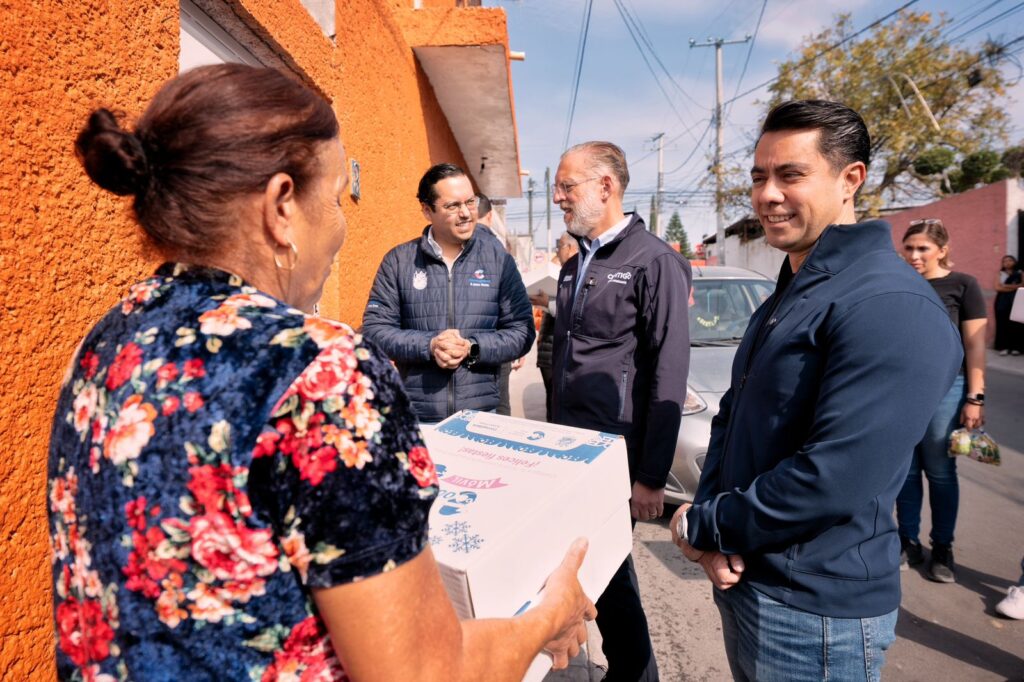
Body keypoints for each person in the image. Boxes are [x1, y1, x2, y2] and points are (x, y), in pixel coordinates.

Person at [49, 64, 594, 682]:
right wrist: (545, 619)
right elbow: (422, 672)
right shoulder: (319, 369)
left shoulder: (105, 341)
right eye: (334, 199)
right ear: (282, 206)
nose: (339, 227)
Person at [672, 100, 963, 681]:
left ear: (850, 178)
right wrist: (709, 520)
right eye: (759, 177)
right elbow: (735, 416)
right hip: (749, 582)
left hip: (814, 618)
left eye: (790, 175)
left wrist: (706, 525)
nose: (768, 194)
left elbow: (836, 474)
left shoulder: (888, 303)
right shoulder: (797, 287)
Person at [551, 141, 692, 681]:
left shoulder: (654, 261)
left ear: (606, 186)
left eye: (569, 186)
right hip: (571, 448)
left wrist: (651, 475)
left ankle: (635, 672)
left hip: (617, 455)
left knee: (609, 570)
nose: (560, 197)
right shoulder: (576, 261)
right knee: (593, 568)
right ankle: (629, 668)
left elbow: (667, 376)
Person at [362, 165, 535, 424]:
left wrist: (473, 347)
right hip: (417, 418)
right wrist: (430, 345)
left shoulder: (498, 261)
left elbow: (522, 331)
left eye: (470, 202)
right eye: (452, 206)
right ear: (426, 210)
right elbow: (374, 331)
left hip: (482, 417)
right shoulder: (398, 261)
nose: (465, 213)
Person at [896, 219, 987, 583]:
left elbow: (975, 345)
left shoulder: (963, 285)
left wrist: (975, 397)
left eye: (923, 249)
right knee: (904, 471)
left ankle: (943, 547)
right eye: (909, 248)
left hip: (948, 390)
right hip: (902, 390)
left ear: (942, 250)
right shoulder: (899, 283)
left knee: (941, 472)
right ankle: (908, 541)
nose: (915, 256)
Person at [473, 192, 515, 416]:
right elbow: (511, 306)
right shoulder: (499, 251)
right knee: (499, 406)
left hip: (461, 347)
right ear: (489, 216)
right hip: (497, 345)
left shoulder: (450, 245)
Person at [530, 232, 578, 422]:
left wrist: (548, 303)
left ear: (571, 247)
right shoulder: (565, 270)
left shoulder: (578, 272)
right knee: (552, 400)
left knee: (556, 401)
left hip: (558, 350)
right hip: (549, 347)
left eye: (560, 247)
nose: (558, 252)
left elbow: (572, 310)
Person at [994, 254, 1023, 356]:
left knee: (1016, 323)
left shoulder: (1020, 273)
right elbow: (998, 288)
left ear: (1014, 262)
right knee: (1002, 323)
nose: (1007, 262)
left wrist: (1006, 286)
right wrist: (1014, 286)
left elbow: (1022, 285)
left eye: (1010, 260)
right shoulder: (1000, 274)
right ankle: (1003, 347)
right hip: (1002, 301)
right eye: (1005, 261)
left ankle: (1016, 347)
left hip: (1017, 299)